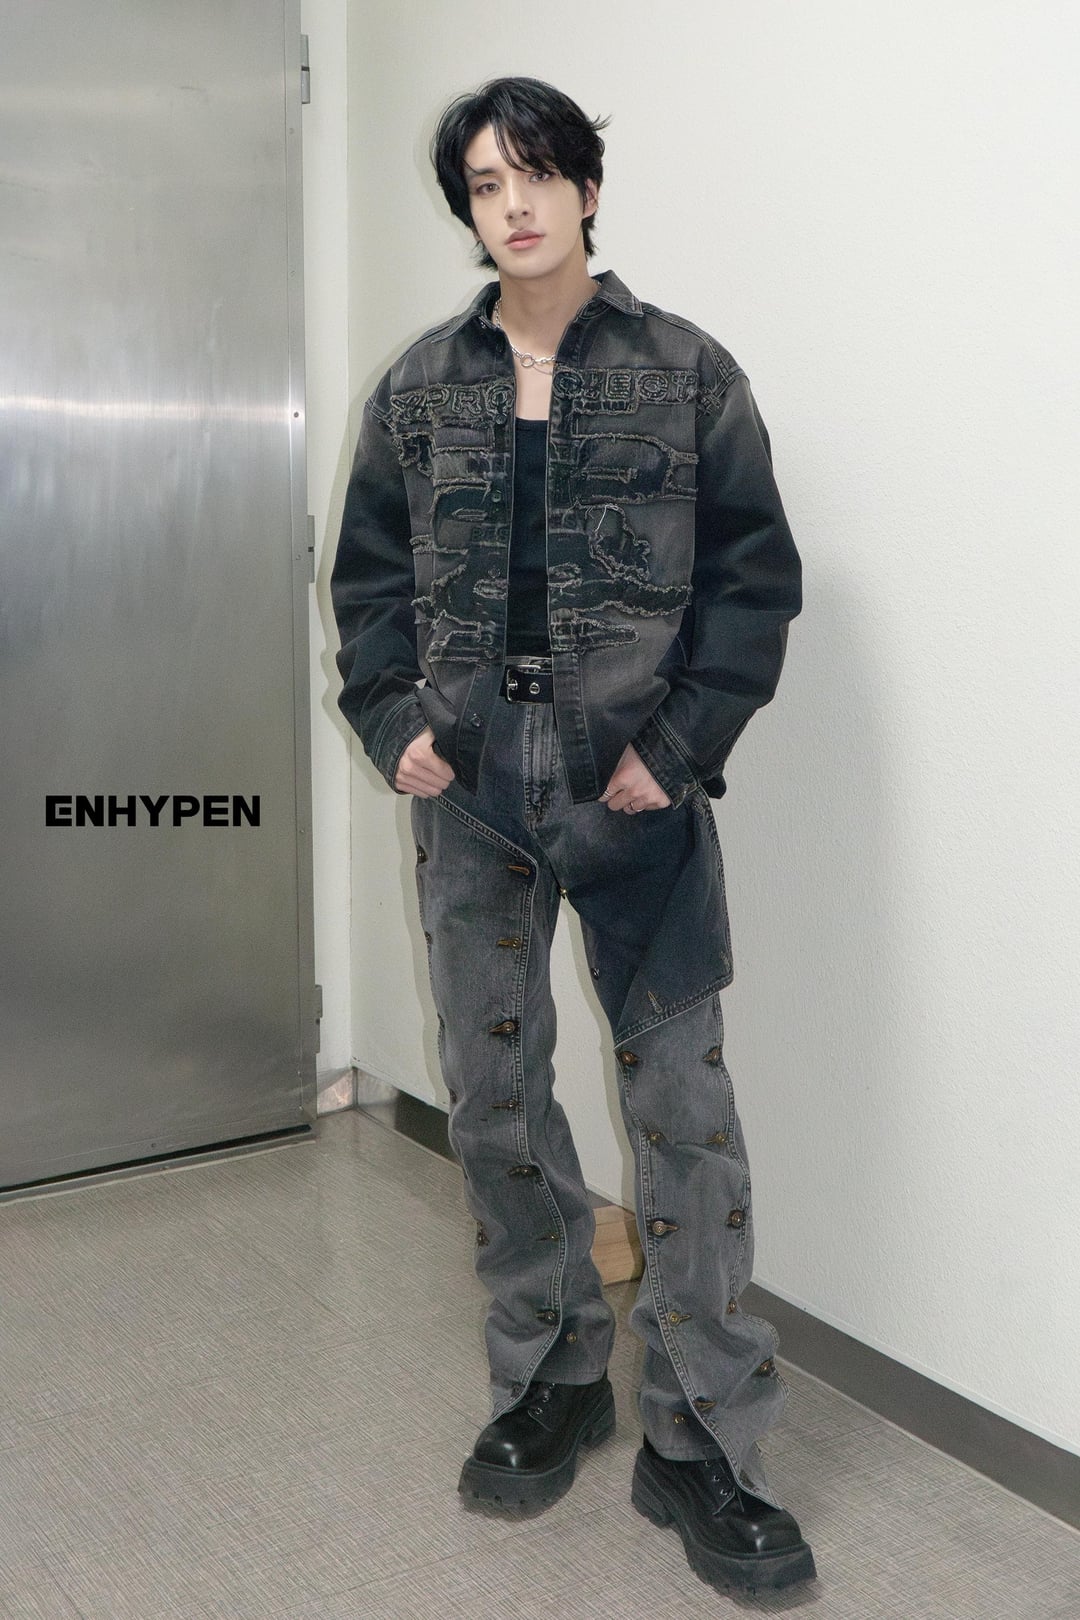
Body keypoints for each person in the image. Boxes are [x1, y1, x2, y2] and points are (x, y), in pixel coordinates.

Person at [331, 76, 814, 1596]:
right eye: (485, 184)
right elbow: (368, 581)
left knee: (684, 1109)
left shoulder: (689, 373)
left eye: (537, 173)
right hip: (474, 792)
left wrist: (677, 749)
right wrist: (393, 715)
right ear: (468, 211)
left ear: (589, 189)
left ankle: (703, 1437)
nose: (515, 204)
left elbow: (752, 585)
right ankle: (550, 1373)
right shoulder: (419, 390)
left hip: (636, 797)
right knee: (494, 1096)